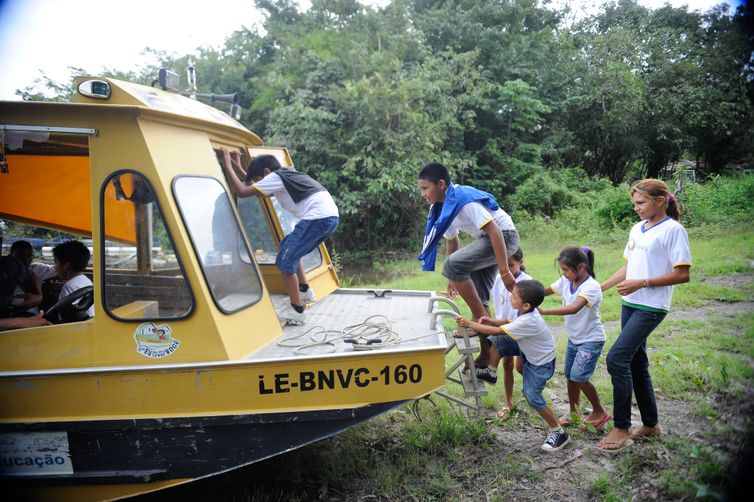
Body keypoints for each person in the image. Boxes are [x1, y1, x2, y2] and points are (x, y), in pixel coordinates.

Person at [597, 179, 691, 453]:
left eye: (641, 203)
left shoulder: (674, 231)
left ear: (660, 201)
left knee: (617, 359)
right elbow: (629, 268)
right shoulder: (637, 228)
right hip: (631, 303)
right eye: (635, 204)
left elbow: (682, 274)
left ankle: (622, 427)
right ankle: (650, 425)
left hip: (652, 306)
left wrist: (643, 283)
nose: (636, 208)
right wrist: (599, 288)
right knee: (637, 363)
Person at [417, 162, 520, 366]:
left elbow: (495, 231)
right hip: (488, 241)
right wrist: (452, 278)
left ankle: (478, 321)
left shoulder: (463, 200)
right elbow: (452, 240)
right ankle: (486, 353)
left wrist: (505, 271)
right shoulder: (441, 210)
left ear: (441, 184)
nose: (423, 194)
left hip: (504, 238)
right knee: (479, 297)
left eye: (425, 188)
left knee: (454, 267)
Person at [220, 149, 339, 325]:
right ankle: (304, 291)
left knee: (284, 261)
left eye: (260, 179)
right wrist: (237, 164)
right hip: (329, 218)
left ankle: (296, 310)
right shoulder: (285, 175)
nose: (260, 184)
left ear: (267, 172)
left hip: (318, 218)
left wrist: (227, 164)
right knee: (288, 247)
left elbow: (244, 191)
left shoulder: (275, 177)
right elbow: (258, 189)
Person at [457, 280, 570, 452]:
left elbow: (497, 330)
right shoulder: (526, 313)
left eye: (514, 295)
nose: (510, 297)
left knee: (532, 395)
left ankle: (559, 432)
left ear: (526, 304)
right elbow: (507, 323)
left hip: (540, 363)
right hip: (528, 350)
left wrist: (470, 323)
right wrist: (492, 321)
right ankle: (490, 372)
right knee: (499, 340)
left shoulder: (529, 320)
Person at [539, 246, 610, 429]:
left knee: (579, 376)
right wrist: (526, 293)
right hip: (574, 339)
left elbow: (574, 307)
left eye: (565, 269)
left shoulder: (591, 286)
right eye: (562, 270)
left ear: (580, 267)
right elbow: (546, 291)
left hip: (590, 340)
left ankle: (599, 410)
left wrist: (545, 311)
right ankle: (573, 412)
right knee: (570, 376)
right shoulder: (566, 281)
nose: (564, 273)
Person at [474, 248, 530, 420]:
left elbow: (522, 315)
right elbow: (494, 301)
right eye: (502, 265)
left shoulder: (526, 282)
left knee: (520, 367)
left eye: (511, 265)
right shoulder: (498, 279)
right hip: (504, 328)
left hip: (520, 331)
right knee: (507, 365)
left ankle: (534, 394)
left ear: (521, 262)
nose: (506, 269)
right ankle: (509, 403)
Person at [9, 240, 57, 315]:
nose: (25, 259)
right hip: (8, 314)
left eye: (29, 255)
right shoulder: (4, 271)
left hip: (31, 314)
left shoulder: (36, 268)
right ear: (11, 255)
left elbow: (60, 268)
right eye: (20, 256)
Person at [53, 240, 94, 319]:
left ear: (66, 265)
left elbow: (69, 318)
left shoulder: (69, 286)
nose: (54, 267)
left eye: (56, 262)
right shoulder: (86, 281)